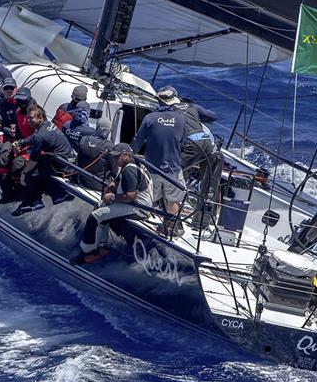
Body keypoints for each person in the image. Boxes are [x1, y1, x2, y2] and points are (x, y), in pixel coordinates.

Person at [79, 143, 153, 263]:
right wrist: (112, 185)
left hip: (138, 209)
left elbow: (131, 196)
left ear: (126, 155)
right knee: (99, 205)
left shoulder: (129, 170)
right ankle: (103, 246)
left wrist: (112, 197)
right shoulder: (131, 165)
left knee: (95, 216)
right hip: (134, 205)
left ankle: (87, 252)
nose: (114, 159)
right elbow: (119, 179)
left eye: (116, 156)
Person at [160, 85, 223, 226]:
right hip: (208, 144)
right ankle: (204, 219)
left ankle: (173, 223)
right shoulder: (191, 106)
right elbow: (212, 116)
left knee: (169, 176)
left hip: (191, 147)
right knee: (208, 182)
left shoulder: (164, 112)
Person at [130, 88, 187, 234]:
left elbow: (138, 141)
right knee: (173, 200)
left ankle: (143, 222)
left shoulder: (150, 118)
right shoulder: (181, 119)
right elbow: (183, 142)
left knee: (148, 198)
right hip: (173, 170)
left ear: (159, 101)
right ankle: (171, 227)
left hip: (152, 168)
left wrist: (130, 155)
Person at [11, 105, 75, 217]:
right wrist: (21, 142)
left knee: (30, 173)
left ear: (40, 118)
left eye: (31, 118)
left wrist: (24, 173)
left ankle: (33, 202)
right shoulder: (47, 125)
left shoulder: (41, 135)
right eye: (28, 118)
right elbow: (33, 137)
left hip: (62, 165)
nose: (28, 121)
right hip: (64, 159)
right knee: (37, 168)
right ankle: (56, 195)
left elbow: (33, 160)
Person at [0, 87, 38, 203]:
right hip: (18, 141)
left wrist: (22, 144)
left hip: (32, 146)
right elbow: (16, 130)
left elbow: (39, 135)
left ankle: (22, 196)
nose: (20, 103)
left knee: (16, 164)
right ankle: (6, 193)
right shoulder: (18, 112)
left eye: (23, 101)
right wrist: (15, 141)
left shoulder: (35, 114)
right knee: (1, 161)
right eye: (18, 100)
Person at [77, 118, 113, 190]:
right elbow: (114, 169)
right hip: (99, 185)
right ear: (108, 131)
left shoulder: (84, 139)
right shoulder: (110, 147)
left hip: (80, 180)